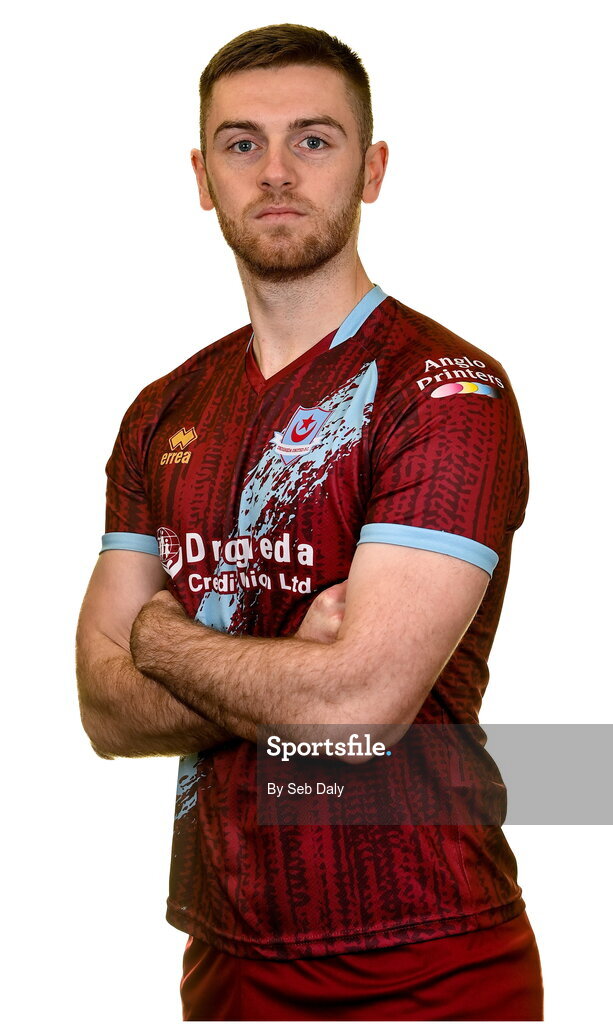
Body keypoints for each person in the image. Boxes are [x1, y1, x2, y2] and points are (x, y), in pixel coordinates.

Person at [76, 22, 544, 1022]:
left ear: (370, 168)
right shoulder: (161, 410)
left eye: (314, 140)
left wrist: (160, 637)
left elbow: (354, 711)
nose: (276, 171)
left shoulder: (446, 392)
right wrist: (288, 665)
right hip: (225, 955)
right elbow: (103, 707)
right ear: (203, 177)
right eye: (243, 144)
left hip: (429, 961)